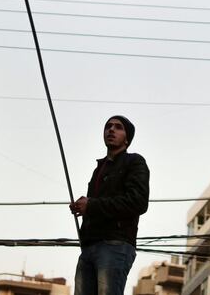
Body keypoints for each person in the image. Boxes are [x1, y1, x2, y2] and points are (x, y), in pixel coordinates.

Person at [70, 116, 149, 295]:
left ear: (127, 138)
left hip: (115, 244)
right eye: (108, 126)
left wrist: (91, 206)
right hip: (89, 247)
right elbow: (96, 205)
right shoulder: (99, 169)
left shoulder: (134, 162)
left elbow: (138, 202)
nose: (111, 130)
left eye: (118, 127)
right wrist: (83, 206)